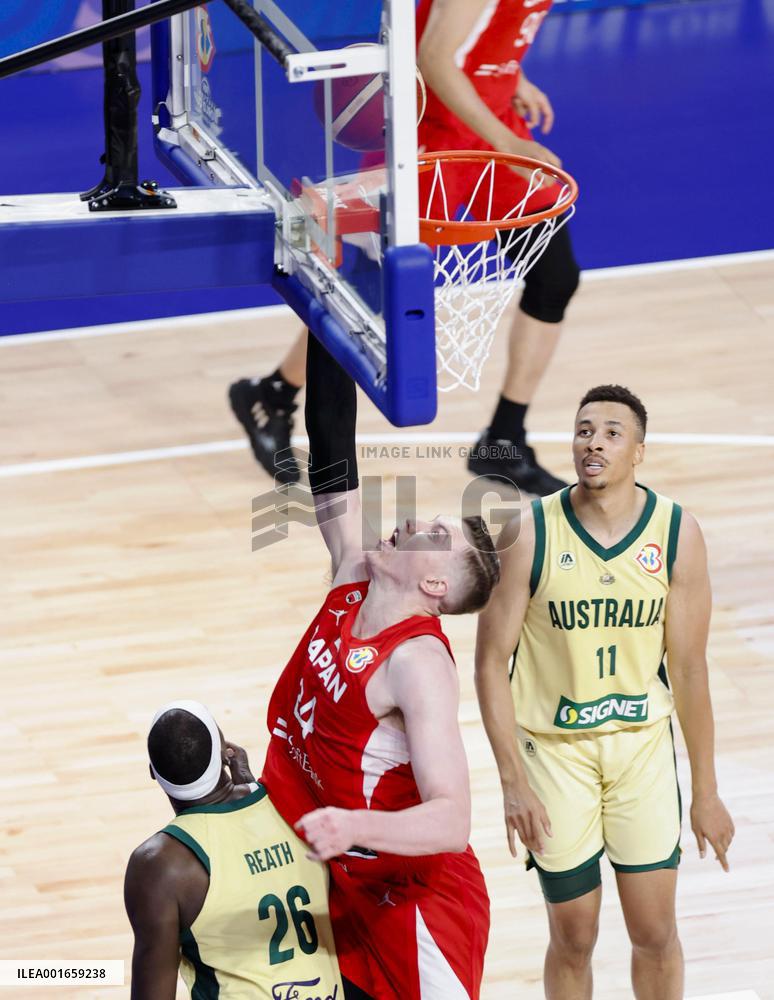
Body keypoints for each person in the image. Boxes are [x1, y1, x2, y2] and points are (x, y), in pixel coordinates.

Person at [230, 0, 578, 497]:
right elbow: (433, 56)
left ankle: (504, 438)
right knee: (370, 293)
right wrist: (508, 143)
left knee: (554, 277)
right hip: (433, 134)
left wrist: (510, 76)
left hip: (488, 119)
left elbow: (481, 31)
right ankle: (273, 393)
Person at [474, 384, 735, 1000]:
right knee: (574, 936)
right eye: (584, 430)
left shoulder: (677, 533)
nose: (593, 443)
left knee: (655, 932)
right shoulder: (529, 532)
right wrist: (512, 782)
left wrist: (706, 790)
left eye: (612, 433)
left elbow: (690, 671)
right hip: (554, 754)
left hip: (640, 751)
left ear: (638, 451)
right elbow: (489, 663)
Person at [260, 333, 500, 999]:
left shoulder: (418, 663)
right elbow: (332, 448)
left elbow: (452, 820)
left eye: (437, 536)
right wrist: (324, 314)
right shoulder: (353, 572)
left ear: (435, 587)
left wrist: (352, 825)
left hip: (413, 904)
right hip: (330, 871)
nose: (415, 519)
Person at [124, 700, 346, 1000]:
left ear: (153, 772)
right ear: (226, 753)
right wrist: (253, 791)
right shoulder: (295, 804)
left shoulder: (160, 865)